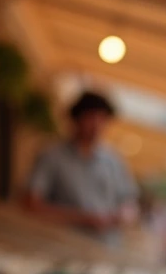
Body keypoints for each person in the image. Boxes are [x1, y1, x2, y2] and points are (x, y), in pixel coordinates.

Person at [23, 91, 138, 243]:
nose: (97, 124)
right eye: (91, 117)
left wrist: (123, 215)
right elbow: (31, 205)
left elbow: (130, 204)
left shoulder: (113, 162)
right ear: (76, 118)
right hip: (59, 244)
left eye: (102, 118)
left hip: (105, 248)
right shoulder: (52, 156)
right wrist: (83, 219)